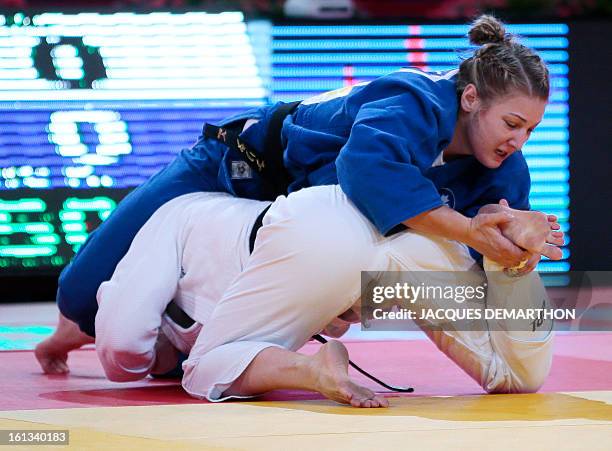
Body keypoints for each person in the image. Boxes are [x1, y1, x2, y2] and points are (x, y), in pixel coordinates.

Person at [55, 14, 555, 338]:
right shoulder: (412, 102)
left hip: (290, 216)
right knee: (79, 296)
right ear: (470, 99)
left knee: (222, 343)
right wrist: (470, 230)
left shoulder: (505, 169)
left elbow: (465, 270)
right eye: (512, 124)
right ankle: (69, 333)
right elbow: (367, 176)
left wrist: (515, 251)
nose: (518, 141)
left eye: (531, 130)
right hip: (235, 168)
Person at [36, 184, 563, 407]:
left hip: (316, 236)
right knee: (517, 378)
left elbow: (124, 340)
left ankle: (314, 372)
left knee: (205, 370)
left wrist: (129, 362)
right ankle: (510, 259)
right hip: (405, 232)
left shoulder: (177, 211)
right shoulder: (205, 225)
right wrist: (66, 341)